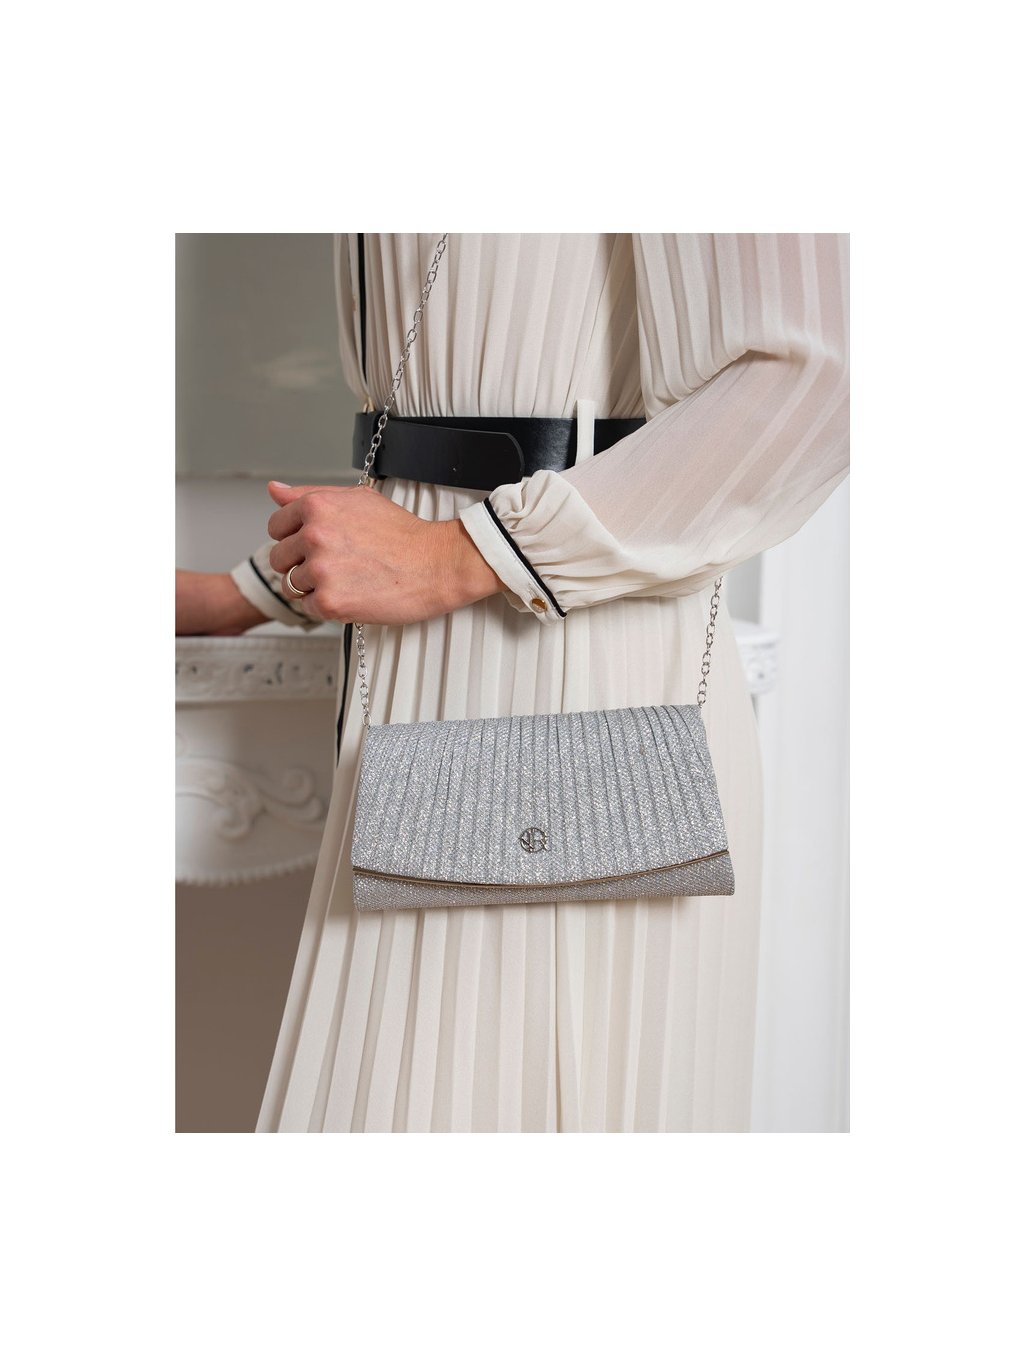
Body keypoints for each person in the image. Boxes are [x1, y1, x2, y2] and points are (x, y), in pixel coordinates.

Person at [177, 233, 849, 1132]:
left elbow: (814, 378)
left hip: (587, 675)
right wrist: (254, 591)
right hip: (434, 670)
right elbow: (419, 451)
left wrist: (462, 555)